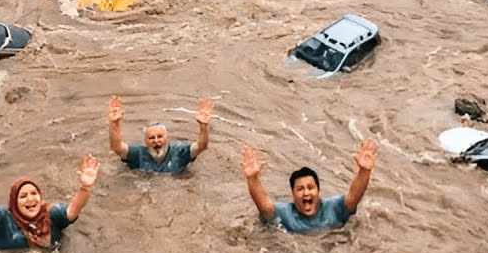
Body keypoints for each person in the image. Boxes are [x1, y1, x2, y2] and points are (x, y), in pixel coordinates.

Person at [0, 149, 100, 250]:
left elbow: (73, 210)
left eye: (34, 193)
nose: (30, 199)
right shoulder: (3, 220)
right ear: (14, 203)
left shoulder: (51, 214)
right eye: (23, 196)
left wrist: (85, 188)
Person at [241, 139, 377, 233]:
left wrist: (364, 171)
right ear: (293, 195)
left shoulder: (333, 209)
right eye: (300, 189)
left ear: (318, 191)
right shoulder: (286, 215)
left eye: (310, 188)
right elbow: (264, 206)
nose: (306, 193)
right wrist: (252, 178)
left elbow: (354, 196)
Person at [107, 95, 212, 174]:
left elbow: (201, 146)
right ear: (145, 141)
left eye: (160, 137)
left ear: (167, 137)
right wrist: (114, 123)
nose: (156, 141)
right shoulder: (138, 153)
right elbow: (116, 147)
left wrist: (203, 126)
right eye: (151, 138)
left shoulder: (180, 152)